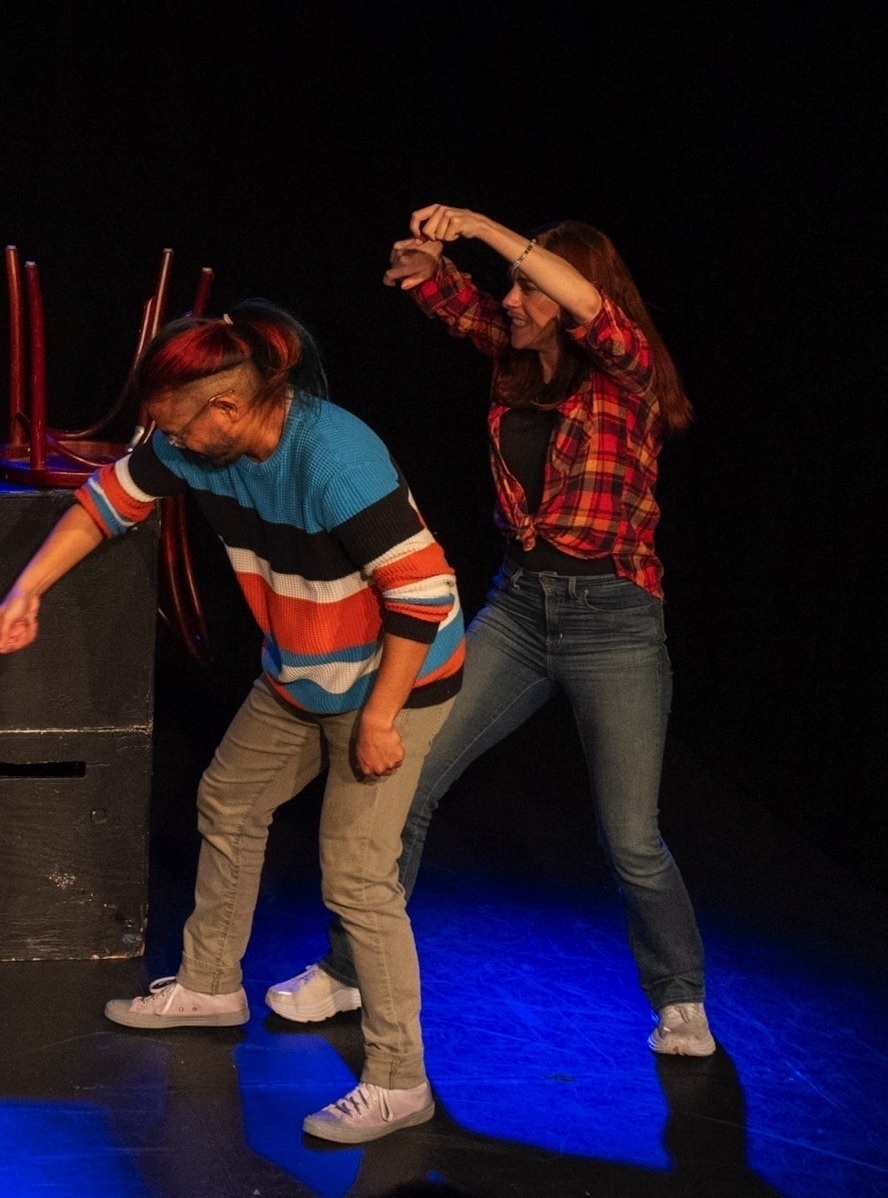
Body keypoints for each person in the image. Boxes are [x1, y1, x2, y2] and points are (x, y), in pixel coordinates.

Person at [0, 301, 465, 1144]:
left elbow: (425, 593)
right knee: (229, 801)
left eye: (170, 419)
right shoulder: (187, 444)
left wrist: (383, 716)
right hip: (301, 670)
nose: (156, 433)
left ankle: (400, 1081)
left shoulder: (335, 459)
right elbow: (107, 503)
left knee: (356, 873)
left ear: (229, 410)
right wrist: (29, 587)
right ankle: (211, 983)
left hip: (397, 675)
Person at [273, 206, 715, 1058]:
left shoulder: (628, 373)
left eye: (527, 285)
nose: (510, 299)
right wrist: (417, 264)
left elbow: (588, 310)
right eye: (513, 286)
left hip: (615, 621)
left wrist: (478, 225)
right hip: (521, 608)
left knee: (629, 835)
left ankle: (681, 995)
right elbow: (454, 299)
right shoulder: (514, 361)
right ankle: (351, 966)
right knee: (406, 775)